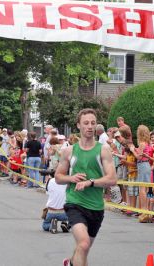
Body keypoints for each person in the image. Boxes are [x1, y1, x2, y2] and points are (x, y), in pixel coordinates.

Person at [55, 108, 117, 266]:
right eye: (86, 123)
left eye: (93, 123)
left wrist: (91, 182)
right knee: (83, 243)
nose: (90, 126)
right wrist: (71, 178)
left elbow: (112, 179)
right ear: (78, 125)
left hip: (96, 206)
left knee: (83, 249)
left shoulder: (103, 150)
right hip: (75, 203)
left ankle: (70, 263)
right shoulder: (69, 151)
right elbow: (58, 177)